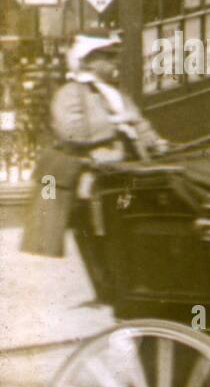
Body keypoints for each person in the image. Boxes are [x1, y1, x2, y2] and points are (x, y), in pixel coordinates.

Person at [22, 35, 168, 286]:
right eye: (108, 58)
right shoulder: (70, 93)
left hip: (130, 172)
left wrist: (156, 142)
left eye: (115, 57)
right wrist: (115, 125)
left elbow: (139, 123)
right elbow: (70, 132)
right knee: (102, 233)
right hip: (96, 177)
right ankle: (109, 283)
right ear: (89, 62)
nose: (115, 63)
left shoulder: (118, 94)